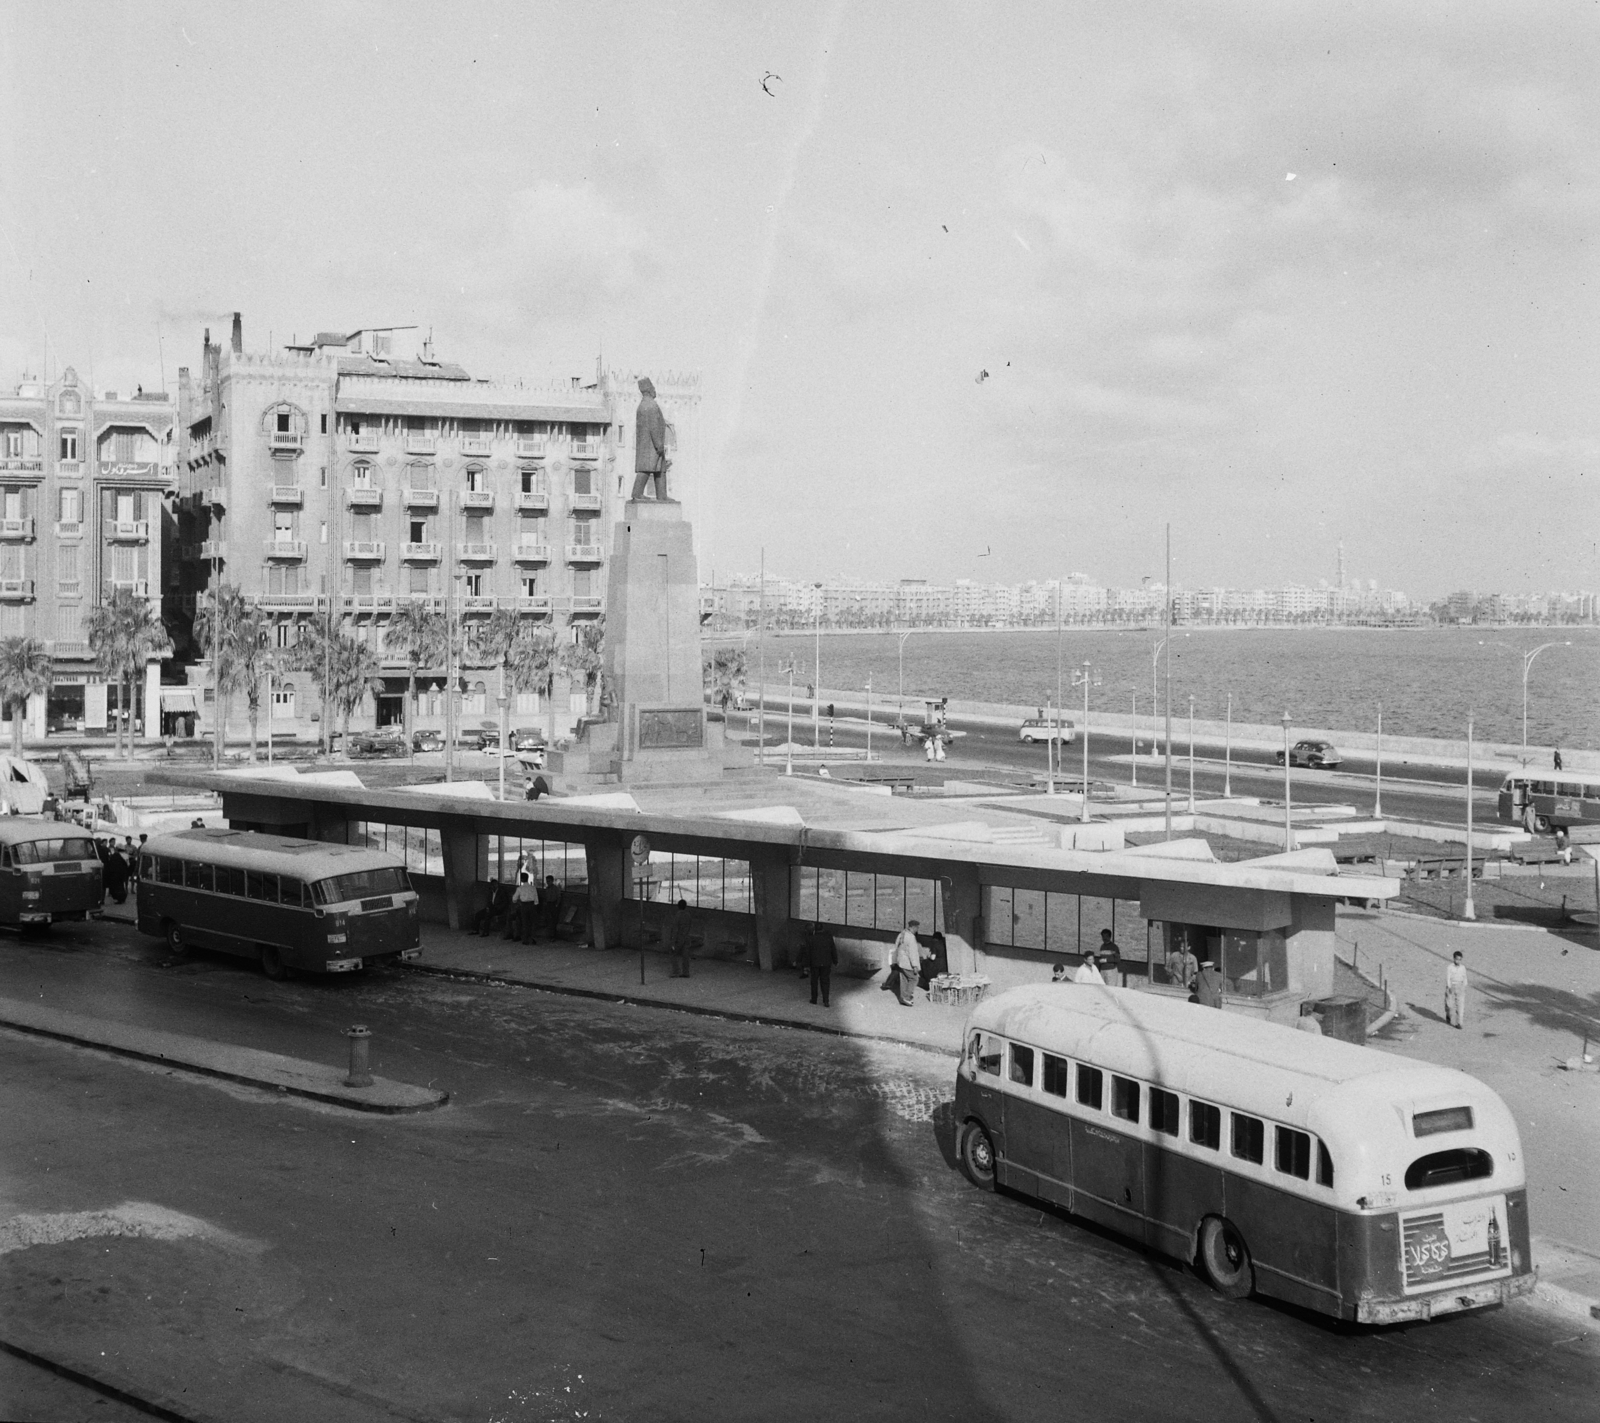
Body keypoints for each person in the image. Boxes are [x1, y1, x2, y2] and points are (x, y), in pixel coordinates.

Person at [631, 377, 671, 500]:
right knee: (646, 469)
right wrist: (659, 444)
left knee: (660, 470)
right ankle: (637, 494)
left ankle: (662, 496)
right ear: (649, 390)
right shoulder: (651, 405)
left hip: (646, 445)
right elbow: (654, 426)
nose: (655, 390)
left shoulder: (642, 405)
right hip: (652, 446)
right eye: (653, 388)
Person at [885, 919, 922, 1006]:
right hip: (907, 963)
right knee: (914, 978)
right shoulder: (911, 937)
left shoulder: (902, 934)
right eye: (917, 928)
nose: (917, 930)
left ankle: (902, 997)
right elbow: (913, 953)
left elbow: (896, 945)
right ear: (913, 927)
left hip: (900, 961)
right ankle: (907, 996)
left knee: (904, 979)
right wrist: (915, 966)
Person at [805, 921, 838, 1006]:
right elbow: (833, 949)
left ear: (814, 929)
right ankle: (826, 1001)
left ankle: (814, 999)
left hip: (814, 963)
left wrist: (807, 965)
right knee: (825, 982)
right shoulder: (828, 937)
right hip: (826, 963)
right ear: (823, 929)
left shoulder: (810, 938)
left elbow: (808, 953)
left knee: (814, 982)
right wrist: (835, 961)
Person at [511, 871, 539, 944]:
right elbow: (536, 899)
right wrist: (535, 904)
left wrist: (516, 902)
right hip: (532, 906)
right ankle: (533, 938)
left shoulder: (520, 888)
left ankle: (525, 939)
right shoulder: (533, 888)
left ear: (521, 879)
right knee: (532, 922)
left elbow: (514, 898)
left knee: (525, 922)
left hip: (524, 906)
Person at [668, 898, 693, 978]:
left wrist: (672, 941)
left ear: (678, 906)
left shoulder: (677, 915)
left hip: (679, 938)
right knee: (685, 955)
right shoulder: (688, 915)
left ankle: (676, 971)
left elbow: (675, 929)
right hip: (686, 937)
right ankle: (686, 972)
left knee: (673, 953)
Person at [1445, 950, 1468, 1029]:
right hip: (1452, 985)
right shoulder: (1450, 967)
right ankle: (1448, 1015)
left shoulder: (1463, 968)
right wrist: (1449, 986)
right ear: (1454, 959)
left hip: (1460, 987)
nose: (1458, 961)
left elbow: (1465, 977)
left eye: (1460, 959)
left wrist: (1464, 987)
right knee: (1449, 1005)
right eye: (1457, 959)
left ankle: (1459, 1023)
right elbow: (1448, 978)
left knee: (1460, 1006)